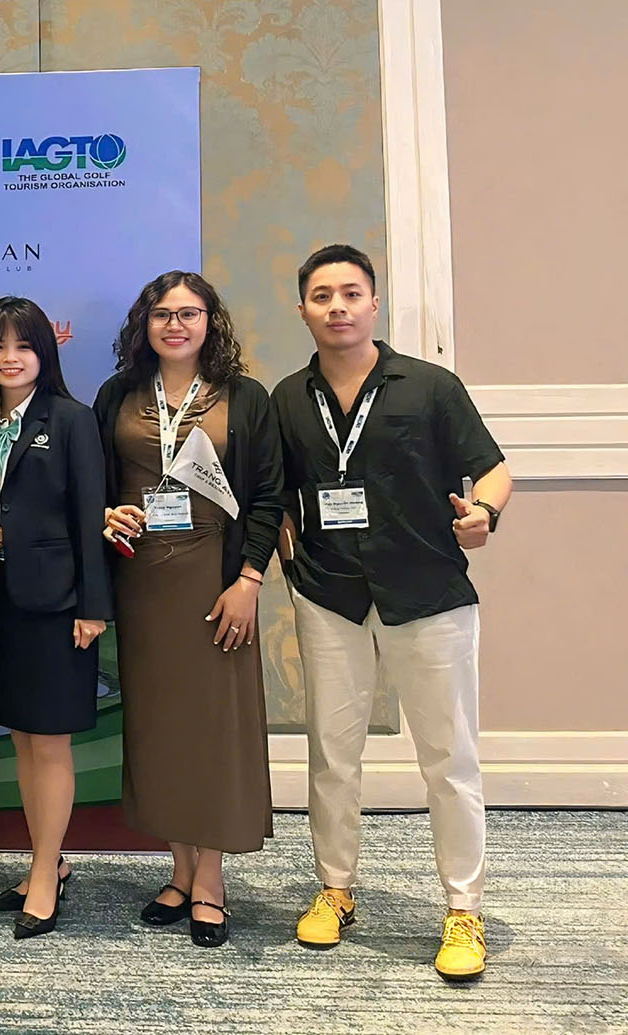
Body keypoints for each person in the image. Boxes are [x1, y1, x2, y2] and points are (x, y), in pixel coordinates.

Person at [275, 244, 511, 982]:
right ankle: (335, 889)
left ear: (373, 304)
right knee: (331, 754)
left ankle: (463, 908)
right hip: (331, 595)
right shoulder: (288, 398)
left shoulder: (430, 386)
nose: (337, 307)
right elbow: (275, 488)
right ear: (303, 310)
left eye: (351, 293)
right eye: (322, 296)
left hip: (426, 592)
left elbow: (494, 469)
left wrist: (484, 514)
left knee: (449, 758)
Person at [94, 270, 282, 948]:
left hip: (216, 580)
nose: (175, 325)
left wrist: (249, 580)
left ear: (210, 322)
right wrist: (105, 513)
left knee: (213, 728)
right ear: (144, 324)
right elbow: (93, 482)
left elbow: (269, 496)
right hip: (143, 582)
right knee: (160, 728)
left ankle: (210, 878)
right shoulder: (118, 394)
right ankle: (177, 870)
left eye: (189, 313)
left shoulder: (245, 397)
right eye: (162, 314)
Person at [0, 297, 111, 939]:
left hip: (60, 605)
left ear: (44, 353)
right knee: (22, 739)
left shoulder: (72, 419)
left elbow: (90, 514)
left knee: (50, 743)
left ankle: (46, 872)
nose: (10, 358)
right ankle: (46, 859)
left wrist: (94, 606)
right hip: (1, 600)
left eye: (23, 346)